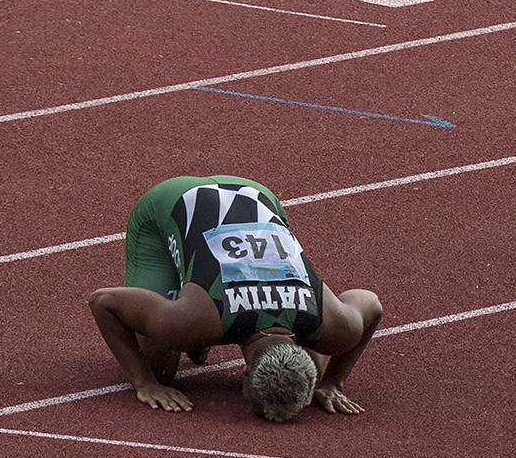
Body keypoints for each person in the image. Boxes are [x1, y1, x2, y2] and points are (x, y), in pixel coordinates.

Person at [88, 175, 382, 422]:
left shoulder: (336, 324)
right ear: (245, 372)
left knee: (321, 344)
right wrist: (144, 383)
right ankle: (181, 301)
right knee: (158, 370)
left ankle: (186, 301)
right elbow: (103, 301)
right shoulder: (195, 319)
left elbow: (372, 303)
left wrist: (332, 381)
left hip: (258, 192)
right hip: (174, 199)